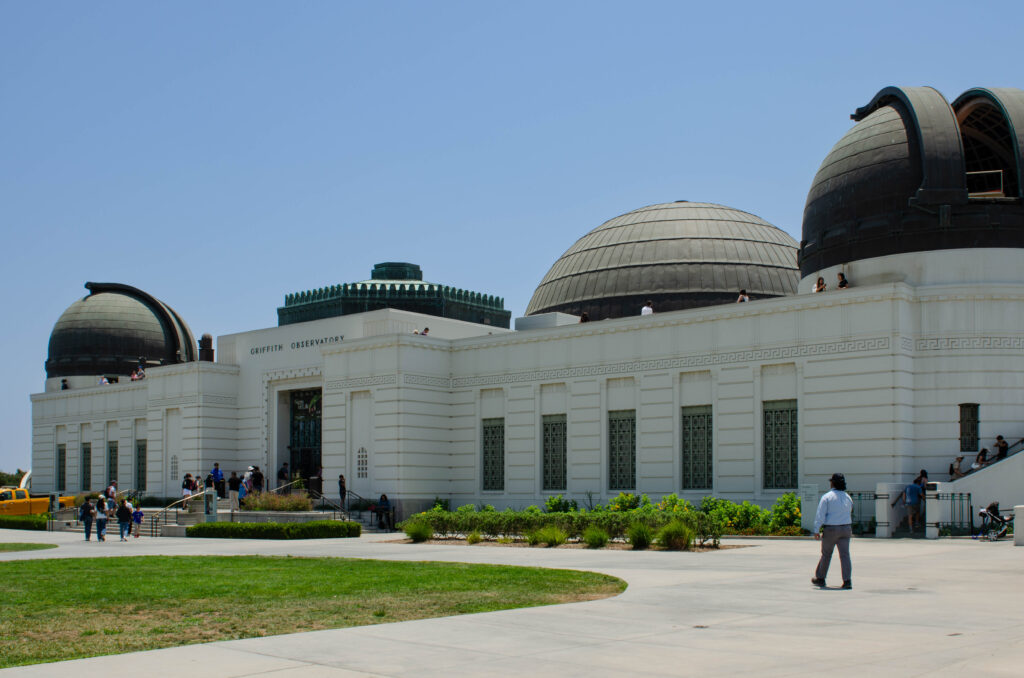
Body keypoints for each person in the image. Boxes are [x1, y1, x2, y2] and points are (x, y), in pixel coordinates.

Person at [812, 472, 853, 589]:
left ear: (833, 483)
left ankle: (821, 578)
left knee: (826, 554)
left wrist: (816, 529)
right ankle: (847, 581)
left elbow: (820, 515)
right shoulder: (847, 497)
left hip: (831, 528)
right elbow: (850, 510)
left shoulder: (827, 497)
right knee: (845, 555)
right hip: (846, 528)